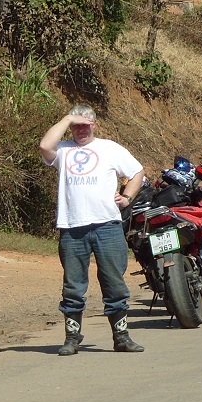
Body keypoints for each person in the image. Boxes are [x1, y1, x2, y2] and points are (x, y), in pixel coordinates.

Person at [39, 103, 146, 356]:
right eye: (75, 126)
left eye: (85, 126)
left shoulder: (109, 148)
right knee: (73, 286)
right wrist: (67, 118)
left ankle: (121, 337)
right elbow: (45, 146)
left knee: (114, 283)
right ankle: (72, 338)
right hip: (72, 227)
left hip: (107, 225)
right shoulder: (63, 150)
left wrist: (128, 196)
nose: (80, 131)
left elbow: (137, 171)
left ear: (94, 125)